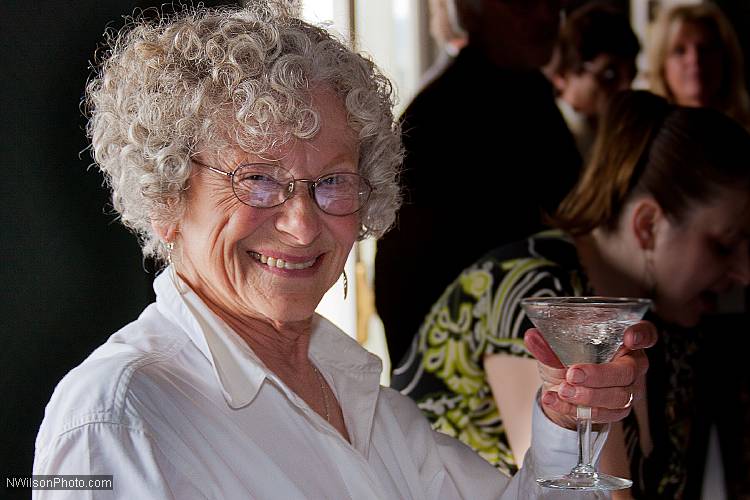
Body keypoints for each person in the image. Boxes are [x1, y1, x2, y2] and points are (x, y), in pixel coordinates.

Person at [32, 4, 656, 498]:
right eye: (258, 179)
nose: (302, 225)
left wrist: (566, 421)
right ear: (168, 197)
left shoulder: (354, 391)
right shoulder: (119, 418)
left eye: (331, 181)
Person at [392, 90, 750, 497]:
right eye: (724, 244)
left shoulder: (670, 318)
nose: (744, 273)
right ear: (648, 225)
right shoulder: (533, 290)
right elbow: (574, 491)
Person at [375, 0, 582, 365]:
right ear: (471, 13)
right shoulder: (442, 111)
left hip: (514, 338)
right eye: (523, 6)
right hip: (463, 355)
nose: (546, 16)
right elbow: (404, 270)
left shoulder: (530, 93)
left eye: (555, 4)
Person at [545, 2, 640, 162]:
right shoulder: (548, 133)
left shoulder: (623, 133)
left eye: (631, 75)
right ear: (565, 74)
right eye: (609, 75)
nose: (626, 87)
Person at [648, 2, 750, 129]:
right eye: (680, 51)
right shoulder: (648, 136)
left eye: (705, 48)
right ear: (662, 66)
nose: (695, 59)